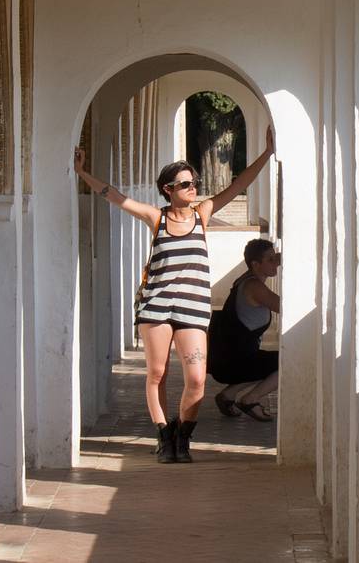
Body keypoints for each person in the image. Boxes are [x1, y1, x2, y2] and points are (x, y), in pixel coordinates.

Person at [73, 126, 275, 463]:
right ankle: (165, 437)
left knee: (196, 379)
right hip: (157, 307)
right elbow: (117, 197)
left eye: (194, 181)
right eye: (184, 184)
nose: (192, 187)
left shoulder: (203, 214)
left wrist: (267, 153)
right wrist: (82, 173)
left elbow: (239, 184)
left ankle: (184, 433)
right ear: (168, 190)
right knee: (157, 374)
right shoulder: (158, 218)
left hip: (193, 309)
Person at [207, 238, 280, 422]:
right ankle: (250, 400)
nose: (276, 263)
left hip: (229, 359)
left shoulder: (245, 279)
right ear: (256, 264)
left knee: (265, 362)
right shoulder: (254, 287)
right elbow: (286, 307)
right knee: (288, 361)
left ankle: (228, 396)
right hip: (233, 363)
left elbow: (269, 259)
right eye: (270, 259)